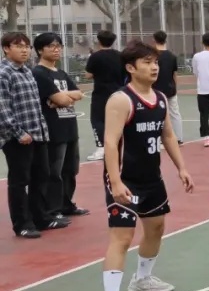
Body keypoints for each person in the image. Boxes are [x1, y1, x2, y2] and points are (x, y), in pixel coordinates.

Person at [95, 42, 196, 291]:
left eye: (155, 62)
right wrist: (115, 181)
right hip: (125, 180)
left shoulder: (160, 98)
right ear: (130, 67)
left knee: (156, 228)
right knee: (122, 237)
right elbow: (110, 143)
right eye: (147, 62)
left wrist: (182, 168)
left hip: (152, 178)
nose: (154, 67)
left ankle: (141, 279)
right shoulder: (121, 100)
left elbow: (168, 136)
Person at [31, 33, 86, 229]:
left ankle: (66, 204)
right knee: (54, 171)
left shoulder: (61, 73)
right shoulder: (39, 73)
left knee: (70, 169)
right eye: (51, 46)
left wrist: (61, 98)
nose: (56, 49)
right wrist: (63, 99)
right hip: (53, 129)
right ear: (40, 50)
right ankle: (52, 210)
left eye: (59, 46)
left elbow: (79, 93)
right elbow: (63, 99)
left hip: (70, 126)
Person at [1, 33, 48, 238]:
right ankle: (22, 224)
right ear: (6, 49)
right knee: (20, 182)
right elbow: (2, 108)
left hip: (36, 133)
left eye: (27, 46)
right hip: (16, 138)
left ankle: (40, 218)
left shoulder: (27, 71)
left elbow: (35, 104)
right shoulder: (3, 73)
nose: (24, 50)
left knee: (41, 175)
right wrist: (18, 132)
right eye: (18, 46)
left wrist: (42, 130)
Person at [83, 30, 125, 164]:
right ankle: (117, 146)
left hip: (101, 94)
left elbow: (88, 75)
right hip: (119, 93)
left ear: (98, 40)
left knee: (97, 120)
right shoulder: (120, 56)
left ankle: (102, 147)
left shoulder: (95, 56)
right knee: (118, 120)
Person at [150, 32, 181, 139]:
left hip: (155, 90)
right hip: (170, 89)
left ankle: (157, 137)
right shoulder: (172, 56)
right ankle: (178, 138)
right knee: (175, 114)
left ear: (154, 40)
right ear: (165, 40)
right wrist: (175, 87)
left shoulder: (152, 56)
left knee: (155, 114)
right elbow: (174, 74)